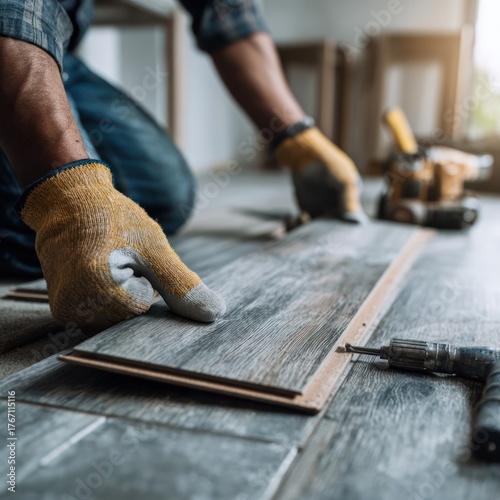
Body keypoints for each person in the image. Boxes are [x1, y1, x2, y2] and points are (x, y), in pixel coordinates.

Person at [0, 0, 366, 330]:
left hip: (58, 49)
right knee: (37, 233)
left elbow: (227, 13)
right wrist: (71, 197)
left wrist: (297, 141)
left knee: (164, 196)